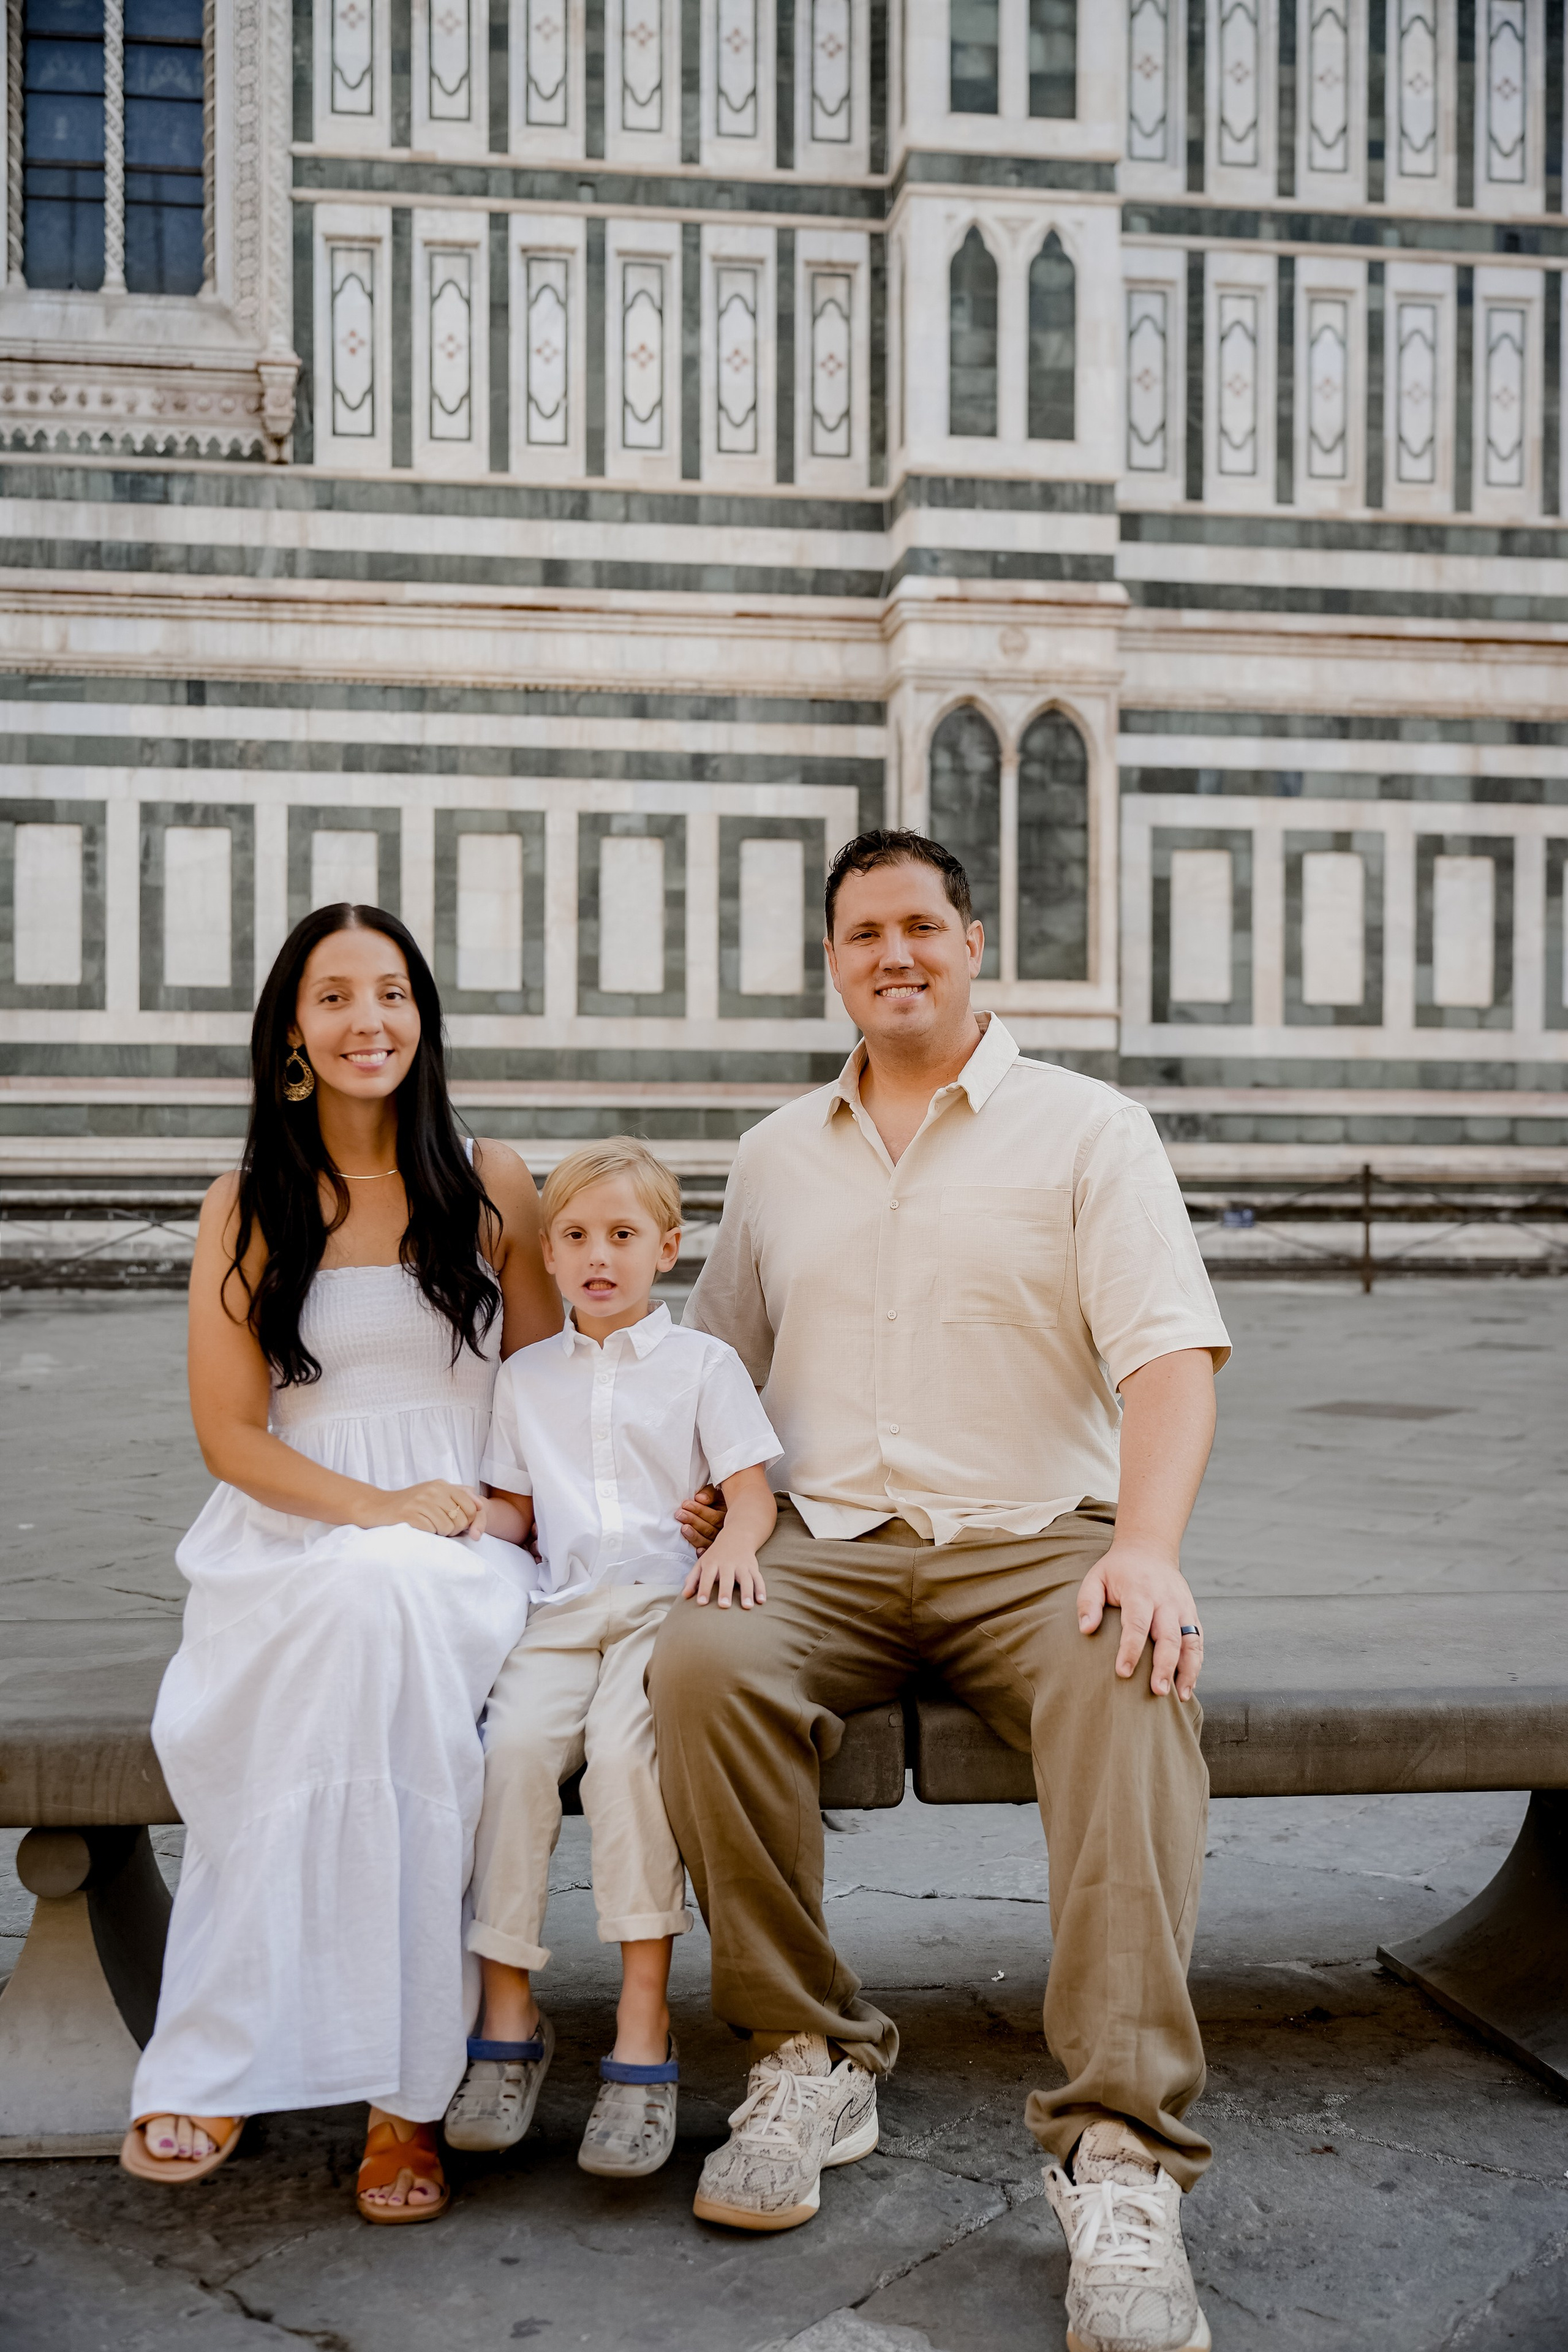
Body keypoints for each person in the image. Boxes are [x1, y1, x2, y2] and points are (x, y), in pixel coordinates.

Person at [648, 831, 1231, 2352]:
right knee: (700, 1664)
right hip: (827, 1547)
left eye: (920, 926)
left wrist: (1146, 1547)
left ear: (974, 942)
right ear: (831, 963)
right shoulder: (776, 1152)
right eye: (862, 935)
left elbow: (1168, 1356)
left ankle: (1119, 2148)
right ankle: (806, 2055)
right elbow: (719, 1370)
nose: (892, 954)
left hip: (1037, 1538)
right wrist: (710, 1492)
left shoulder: (1088, 1131)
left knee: (1132, 1675)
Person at [120, 902, 561, 2223]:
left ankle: (393, 2086)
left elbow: (549, 1392)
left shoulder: (492, 1181)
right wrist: (374, 1508)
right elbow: (230, 1436)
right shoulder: (244, 1204)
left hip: (468, 1539)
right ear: (293, 1033)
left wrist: (505, 1512)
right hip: (299, 1531)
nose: (367, 1020)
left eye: (392, 995)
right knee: (351, 1623)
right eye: (334, 997)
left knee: (389, 1617)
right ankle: (309, 2059)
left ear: (421, 1022)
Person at [443, 1138, 781, 2180]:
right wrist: (448, 1520)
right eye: (579, 1236)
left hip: (660, 1614)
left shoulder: (703, 1367)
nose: (600, 1256)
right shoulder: (526, 1378)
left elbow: (754, 1493)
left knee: (631, 1764)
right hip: (557, 1614)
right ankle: (509, 2015)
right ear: (547, 1254)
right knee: (509, 1756)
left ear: (668, 1249)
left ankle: (643, 2028)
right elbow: (518, 1510)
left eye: (624, 1236)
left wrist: (727, 1540)